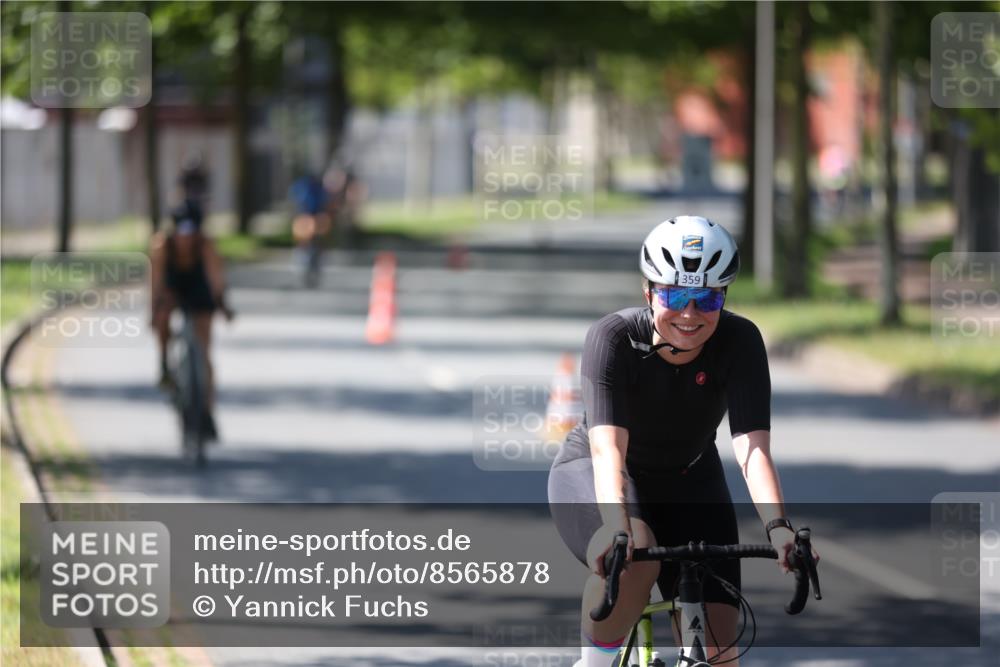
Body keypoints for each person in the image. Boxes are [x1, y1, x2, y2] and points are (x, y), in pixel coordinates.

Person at [548, 215, 818, 666]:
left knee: (719, 653)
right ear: (648, 292)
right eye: (675, 295)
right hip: (604, 474)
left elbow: (752, 449)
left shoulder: (741, 341)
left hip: (691, 479)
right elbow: (607, 450)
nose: (690, 313)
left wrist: (778, 526)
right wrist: (617, 526)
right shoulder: (613, 339)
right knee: (633, 552)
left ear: (723, 297)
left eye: (706, 297)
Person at [150, 201, 233, 440]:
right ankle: (164, 361)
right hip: (173, 285)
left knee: (204, 347)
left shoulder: (205, 246)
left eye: (191, 231)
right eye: (181, 232)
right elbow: (155, 283)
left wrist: (223, 304)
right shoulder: (162, 246)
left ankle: (206, 410)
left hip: (198, 287)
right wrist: (154, 313)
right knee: (162, 315)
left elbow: (216, 278)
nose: (186, 238)